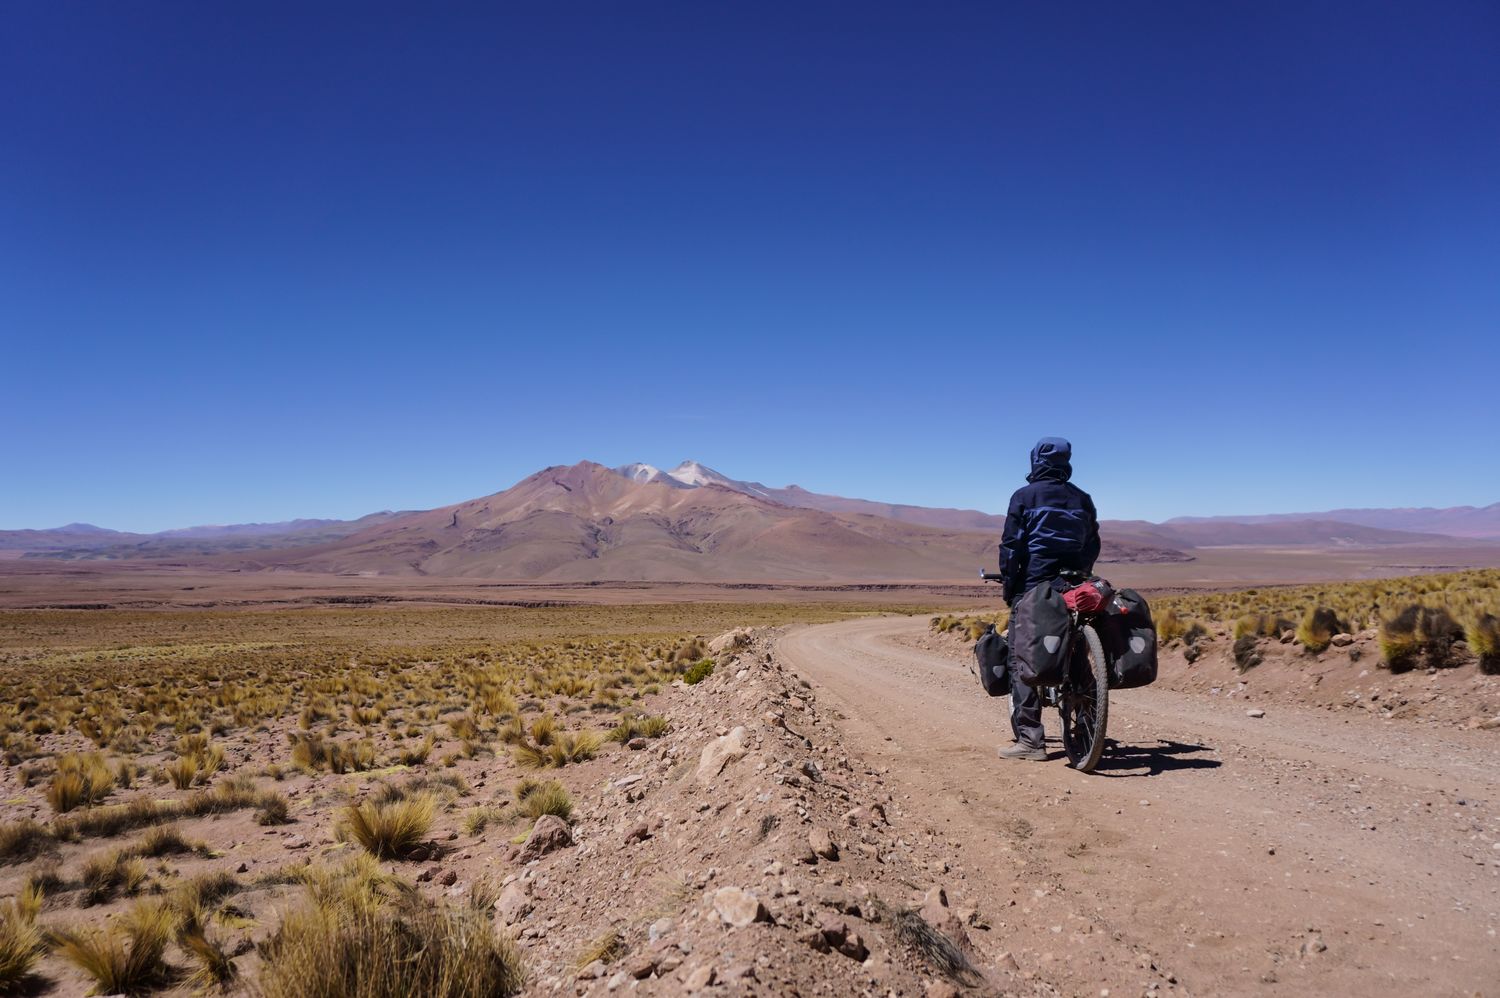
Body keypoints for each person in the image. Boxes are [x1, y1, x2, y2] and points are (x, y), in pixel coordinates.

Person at [996, 437, 1101, 761]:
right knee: (1076, 650)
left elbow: (1012, 546)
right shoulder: (1082, 498)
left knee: (1021, 658)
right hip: (1074, 582)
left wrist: (1010, 587)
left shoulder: (1024, 496)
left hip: (1036, 583)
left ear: (1035, 461)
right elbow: (1092, 542)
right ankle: (1087, 726)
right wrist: (1082, 573)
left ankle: (1030, 741)